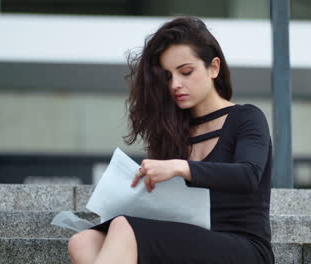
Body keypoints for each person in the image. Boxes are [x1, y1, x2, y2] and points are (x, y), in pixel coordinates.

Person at [67, 16, 274, 264]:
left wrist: (180, 167)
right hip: (187, 242)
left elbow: (249, 174)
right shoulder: (174, 132)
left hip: (244, 249)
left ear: (213, 68)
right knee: (82, 241)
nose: (176, 84)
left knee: (124, 227)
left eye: (186, 72)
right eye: (167, 77)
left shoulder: (246, 117)